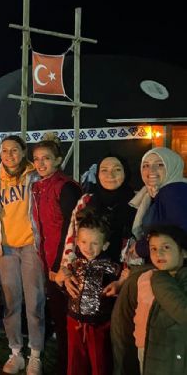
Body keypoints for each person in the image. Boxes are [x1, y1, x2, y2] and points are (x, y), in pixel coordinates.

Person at [0, 135, 45, 375]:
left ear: (23, 152)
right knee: (11, 301)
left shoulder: (35, 176)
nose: (9, 155)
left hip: (30, 245)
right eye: (4, 151)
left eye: (14, 150)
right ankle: (15, 352)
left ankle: (35, 354)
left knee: (34, 301)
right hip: (7, 248)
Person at [30, 133, 82, 375]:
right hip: (49, 262)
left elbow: (69, 229)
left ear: (58, 160)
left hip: (63, 265)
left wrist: (60, 266)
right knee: (60, 319)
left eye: (46, 158)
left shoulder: (65, 187)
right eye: (37, 159)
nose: (41, 164)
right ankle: (66, 363)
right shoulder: (39, 186)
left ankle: (71, 366)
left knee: (69, 320)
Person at [56, 154, 136, 295]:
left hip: (123, 278)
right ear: (97, 174)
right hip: (85, 275)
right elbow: (72, 237)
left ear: (126, 172)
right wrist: (66, 269)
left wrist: (123, 281)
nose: (110, 175)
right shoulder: (86, 201)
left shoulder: (136, 202)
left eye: (117, 169)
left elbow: (138, 245)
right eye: (104, 170)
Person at [63, 211, 120, 375]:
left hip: (98, 324)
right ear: (77, 242)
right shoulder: (74, 264)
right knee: (75, 362)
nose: (88, 247)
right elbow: (64, 286)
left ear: (105, 245)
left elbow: (122, 285)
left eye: (95, 243)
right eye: (84, 241)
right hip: (73, 320)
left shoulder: (110, 267)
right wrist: (63, 280)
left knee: (99, 363)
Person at [131, 225, 187, 374]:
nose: (158, 253)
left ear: (184, 252)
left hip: (175, 354)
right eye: (153, 248)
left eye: (166, 247)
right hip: (146, 348)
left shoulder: (179, 281)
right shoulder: (143, 278)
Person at [130, 147, 187, 259]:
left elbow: (177, 234)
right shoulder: (157, 193)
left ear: (172, 166)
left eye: (160, 165)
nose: (151, 170)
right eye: (145, 165)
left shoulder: (174, 191)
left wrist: (140, 248)